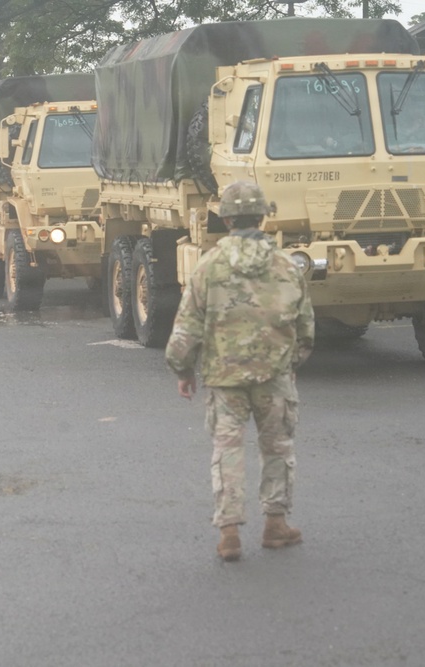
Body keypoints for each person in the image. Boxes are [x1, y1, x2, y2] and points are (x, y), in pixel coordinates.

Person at [165, 181, 315, 562]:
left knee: (227, 449)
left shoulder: (209, 265)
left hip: (224, 378)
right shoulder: (287, 265)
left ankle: (229, 532)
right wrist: (291, 363)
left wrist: (183, 370)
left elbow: (187, 326)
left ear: (227, 219)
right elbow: (305, 327)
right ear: (263, 218)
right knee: (277, 447)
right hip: (274, 375)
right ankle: (276, 524)